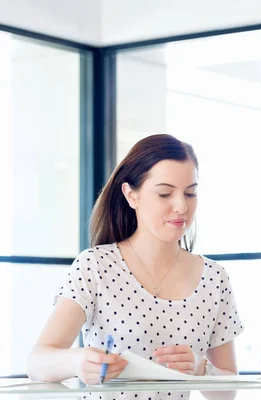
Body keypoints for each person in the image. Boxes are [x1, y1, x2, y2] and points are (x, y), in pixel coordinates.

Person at [27, 134, 243, 399]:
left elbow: (229, 391)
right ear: (131, 195)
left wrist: (200, 369)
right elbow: (37, 362)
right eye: (165, 193)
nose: (181, 206)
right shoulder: (95, 265)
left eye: (191, 193)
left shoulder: (214, 278)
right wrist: (77, 362)